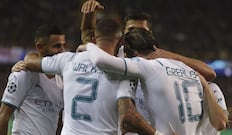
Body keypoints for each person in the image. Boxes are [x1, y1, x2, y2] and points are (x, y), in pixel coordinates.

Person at [79, 0, 217, 121]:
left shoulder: (161, 59)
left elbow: (209, 73)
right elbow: (89, 37)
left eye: (141, 30)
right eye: (131, 29)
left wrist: (168, 55)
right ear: (123, 34)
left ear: (149, 33)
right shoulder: (116, 54)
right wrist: (89, 14)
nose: (136, 33)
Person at [23, 18, 161, 135]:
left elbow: (30, 63)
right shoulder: (125, 70)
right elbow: (128, 115)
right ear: (120, 42)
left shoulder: (68, 60)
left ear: (95, 39)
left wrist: (29, 57)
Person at [84, 28, 228, 135]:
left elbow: (101, 60)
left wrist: (88, 45)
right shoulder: (188, 70)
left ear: (131, 55)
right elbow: (220, 123)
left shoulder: (147, 66)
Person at [0, 24, 65, 135]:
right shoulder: (23, 73)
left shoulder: (61, 78)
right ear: (40, 47)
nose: (62, 51)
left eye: (63, 45)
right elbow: (3, 116)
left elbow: (59, 121)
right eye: (57, 46)